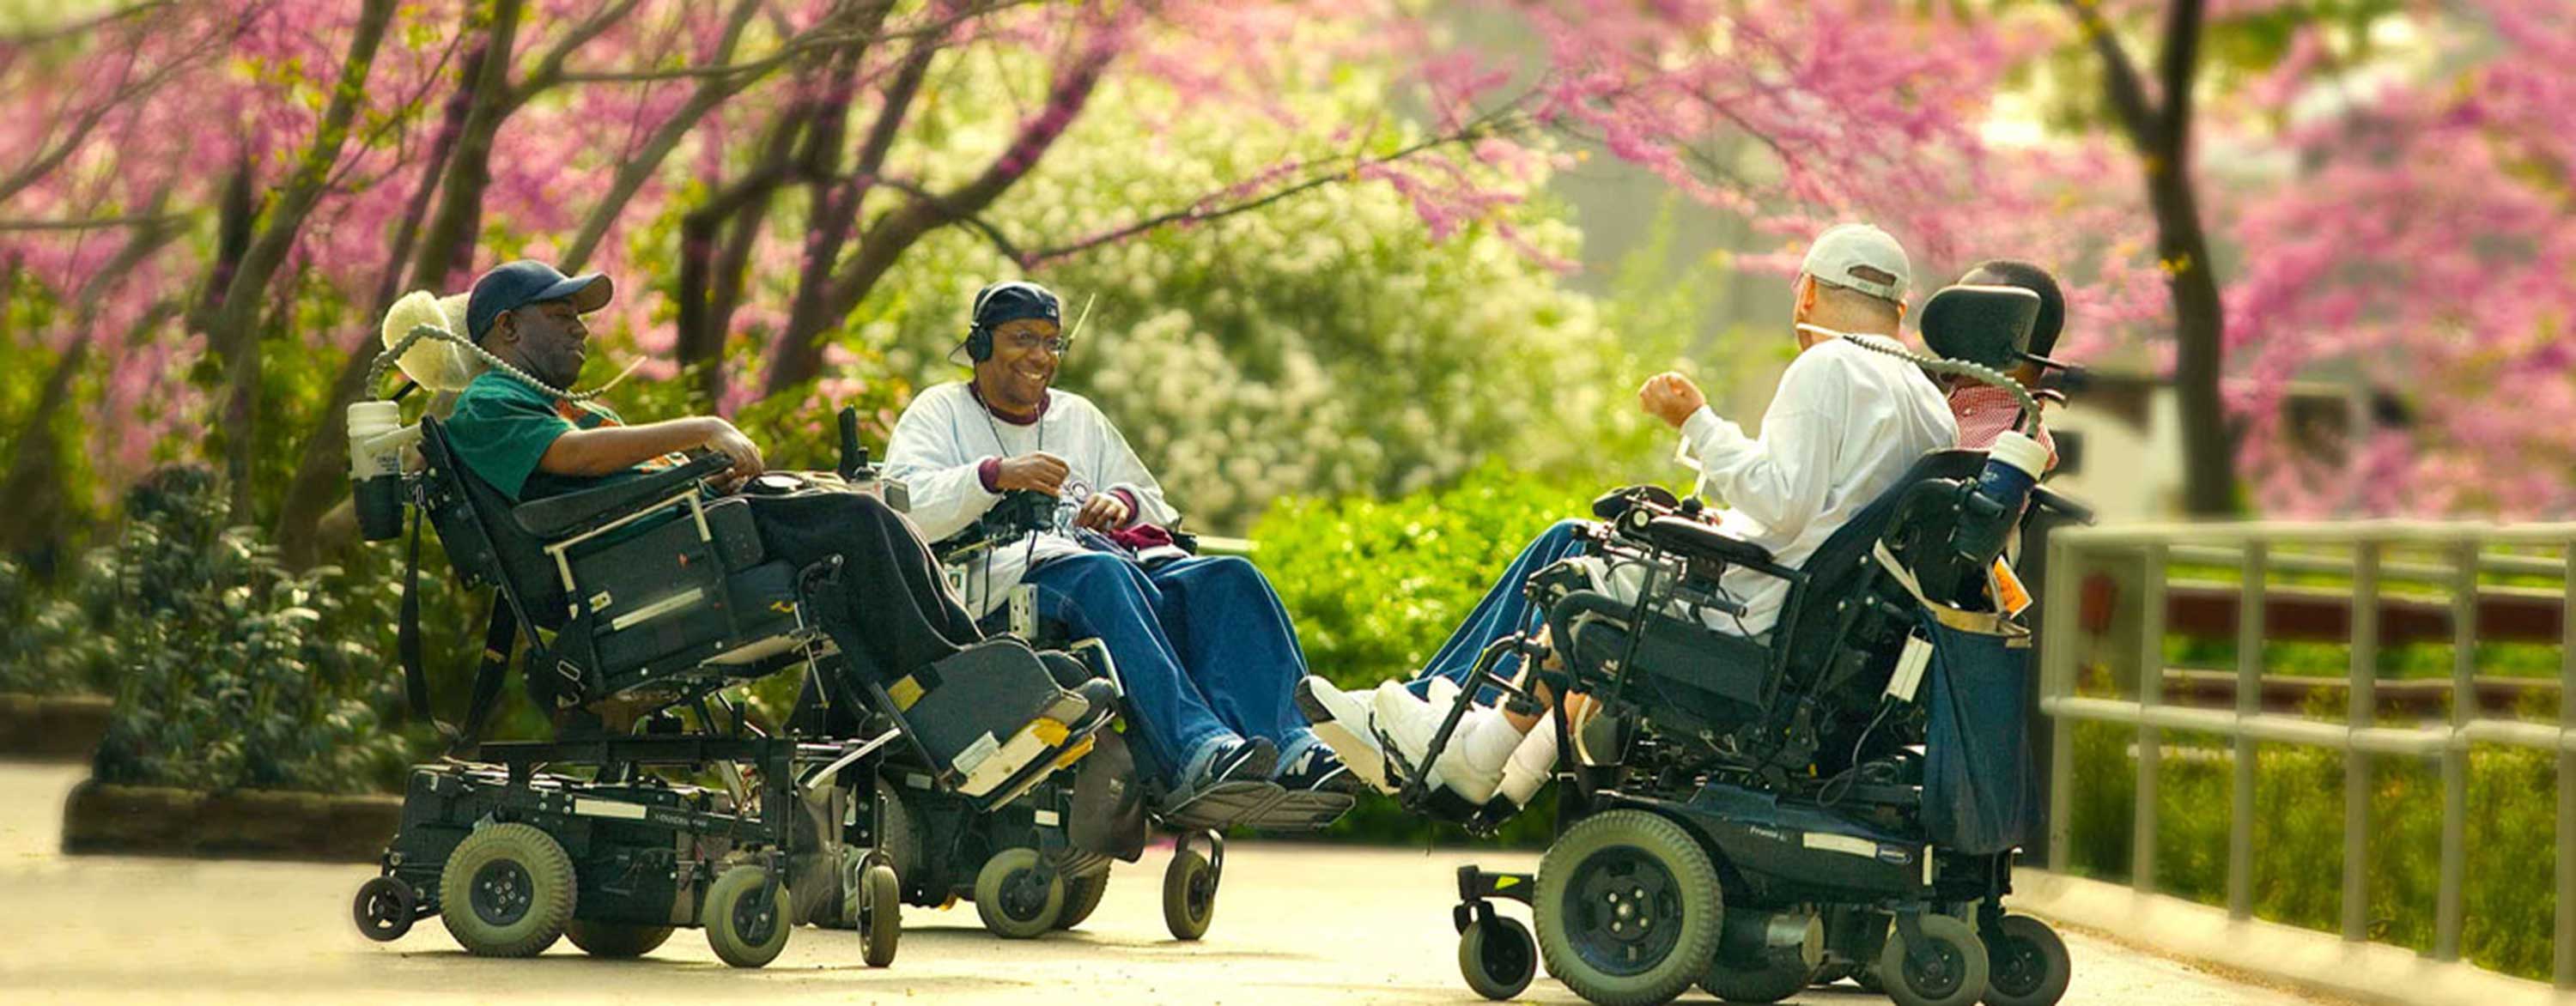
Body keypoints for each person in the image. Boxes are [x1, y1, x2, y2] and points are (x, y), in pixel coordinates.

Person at [1298, 222, 1959, 809]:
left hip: (1760, 616)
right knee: (1603, 564)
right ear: (1900, 308)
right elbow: (1825, 514)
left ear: (1808, 291)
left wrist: (1696, 421)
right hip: (1820, 624)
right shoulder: (1931, 407)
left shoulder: (1828, 366)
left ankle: (1474, 755)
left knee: (1580, 579)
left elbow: (1782, 504)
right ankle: (1499, 763)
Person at [441, 260, 1003, 707]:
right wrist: (704, 429)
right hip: (653, 556)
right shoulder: (489, 401)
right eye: (562, 314)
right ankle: (952, 696)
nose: (581, 326)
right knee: (859, 522)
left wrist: (708, 475)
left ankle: (973, 668)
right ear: (508, 326)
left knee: (865, 507)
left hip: (685, 527)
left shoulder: (547, 402)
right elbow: (573, 458)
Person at [882, 280, 1349, 799]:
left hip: (1109, 562)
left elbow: (1153, 501)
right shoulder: (939, 411)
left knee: (1231, 578)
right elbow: (906, 505)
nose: (1040, 355)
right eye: (1022, 338)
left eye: (1051, 341)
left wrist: (1121, 502)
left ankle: (1291, 746)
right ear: (981, 346)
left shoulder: (1078, 416)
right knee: (1102, 574)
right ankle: (1198, 747)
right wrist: (993, 475)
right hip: (1006, 574)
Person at [1938, 258, 2069, 466]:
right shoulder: (1936, 407)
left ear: (2018, 334)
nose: (1951, 328)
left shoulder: (2016, 443)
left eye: (1972, 316)